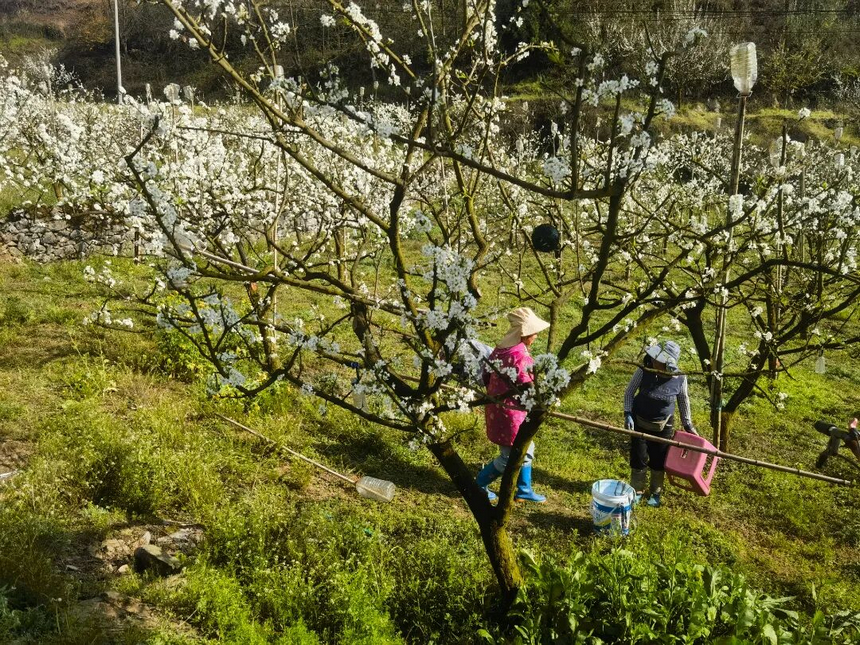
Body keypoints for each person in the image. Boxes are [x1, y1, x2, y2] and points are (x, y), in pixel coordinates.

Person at [475, 307, 550, 503]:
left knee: (526, 446)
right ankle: (479, 484)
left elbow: (485, 375)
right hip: (511, 412)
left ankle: (524, 488)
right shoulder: (519, 355)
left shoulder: (501, 348)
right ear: (524, 333)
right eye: (533, 332)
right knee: (509, 455)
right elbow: (527, 386)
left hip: (498, 407)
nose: (536, 336)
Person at [623, 341, 698, 507]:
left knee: (658, 459)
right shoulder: (644, 371)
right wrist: (628, 413)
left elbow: (683, 400)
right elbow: (629, 392)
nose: (654, 360)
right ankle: (637, 490)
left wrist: (688, 425)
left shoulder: (679, 378)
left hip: (663, 425)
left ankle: (656, 492)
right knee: (639, 457)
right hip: (638, 421)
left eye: (658, 358)